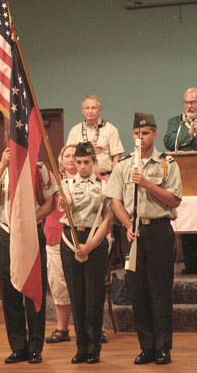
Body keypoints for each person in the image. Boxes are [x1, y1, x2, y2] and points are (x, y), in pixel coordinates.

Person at [105, 113, 182, 365]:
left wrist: (147, 184)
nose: (141, 137)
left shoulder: (167, 164)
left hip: (159, 231)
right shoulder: (124, 164)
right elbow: (114, 199)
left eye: (146, 133)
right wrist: (127, 224)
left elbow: (174, 200)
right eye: (137, 133)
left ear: (155, 134)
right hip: (134, 233)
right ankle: (147, 347)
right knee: (139, 293)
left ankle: (162, 348)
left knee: (160, 292)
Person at [0, 148, 57, 364]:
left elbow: (50, 204)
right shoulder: (1, 168)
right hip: (6, 234)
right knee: (10, 293)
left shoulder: (39, 168)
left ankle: (35, 347)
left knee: (34, 292)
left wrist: (27, 221)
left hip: (32, 233)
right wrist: (3, 164)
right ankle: (18, 346)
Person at [59, 142, 113, 364]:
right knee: (77, 296)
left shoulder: (105, 185)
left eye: (86, 162)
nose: (81, 166)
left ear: (94, 162)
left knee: (93, 297)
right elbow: (63, 206)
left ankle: (94, 349)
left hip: (95, 240)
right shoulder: (65, 185)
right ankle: (81, 348)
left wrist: (91, 245)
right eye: (78, 161)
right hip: (71, 240)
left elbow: (108, 218)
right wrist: (65, 202)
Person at [44, 144, 76, 344]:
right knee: (59, 286)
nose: (71, 159)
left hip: (83, 240)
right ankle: (62, 329)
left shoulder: (96, 181)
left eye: (75, 156)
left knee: (88, 286)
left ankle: (95, 328)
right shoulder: (53, 183)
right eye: (67, 156)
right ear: (60, 160)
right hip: (55, 237)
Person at [164, 87, 197, 274]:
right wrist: (190, 134)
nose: (189, 106)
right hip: (185, 179)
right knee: (188, 222)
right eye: (186, 102)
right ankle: (191, 264)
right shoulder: (176, 122)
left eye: (193, 102)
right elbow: (169, 142)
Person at [66, 95, 124, 176]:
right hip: (81, 179)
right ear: (82, 110)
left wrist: (113, 179)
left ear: (100, 110)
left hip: (105, 177)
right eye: (87, 108)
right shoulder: (75, 130)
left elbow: (117, 157)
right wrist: (88, 149)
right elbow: (69, 155)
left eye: (93, 108)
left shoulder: (111, 129)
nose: (90, 111)